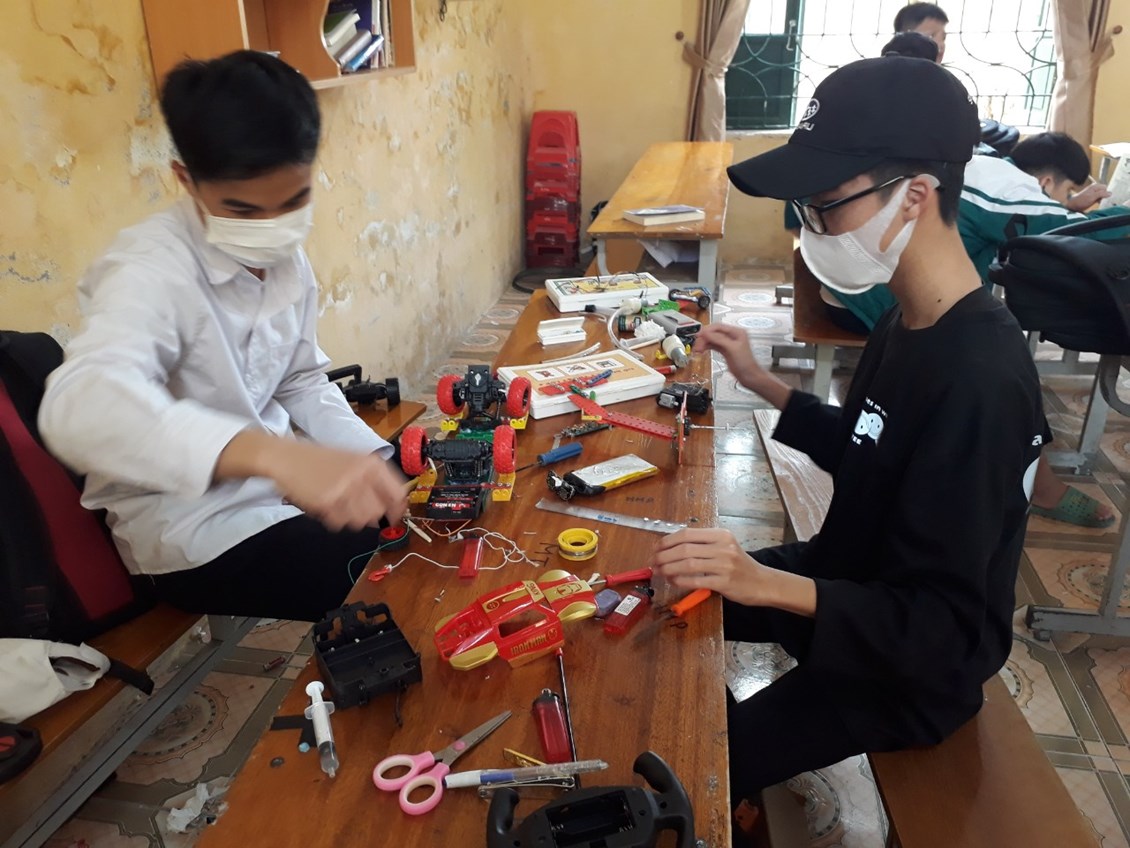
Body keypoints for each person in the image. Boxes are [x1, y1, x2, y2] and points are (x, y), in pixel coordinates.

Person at [651, 57, 1049, 819]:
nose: (812, 229)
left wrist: (763, 583)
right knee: (659, 593)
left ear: (915, 196)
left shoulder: (982, 382)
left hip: (907, 673)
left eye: (825, 205)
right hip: (845, 587)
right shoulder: (908, 319)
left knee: (692, 761)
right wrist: (764, 383)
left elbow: (942, 631)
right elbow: (869, 450)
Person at [38, 51, 408, 623]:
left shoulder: (285, 258)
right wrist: (277, 457)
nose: (271, 227)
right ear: (186, 179)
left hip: (275, 499)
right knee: (389, 577)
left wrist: (377, 459)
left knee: (429, 503)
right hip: (190, 532)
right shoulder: (148, 271)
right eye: (242, 209)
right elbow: (78, 408)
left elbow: (300, 379)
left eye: (294, 202)